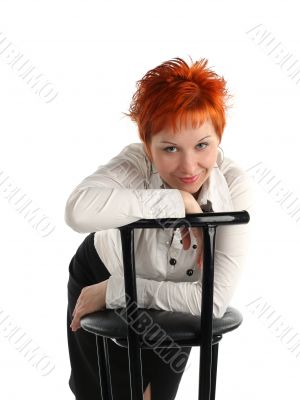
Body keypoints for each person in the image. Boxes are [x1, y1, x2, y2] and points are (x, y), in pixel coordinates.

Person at [64, 56, 255, 400]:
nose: (189, 166)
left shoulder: (235, 187)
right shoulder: (135, 163)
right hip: (101, 268)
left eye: (202, 145)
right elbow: (78, 211)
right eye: (169, 149)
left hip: (166, 293)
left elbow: (210, 302)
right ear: (148, 146)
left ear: (218, 137)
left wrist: (114, 291)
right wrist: (176, 202)